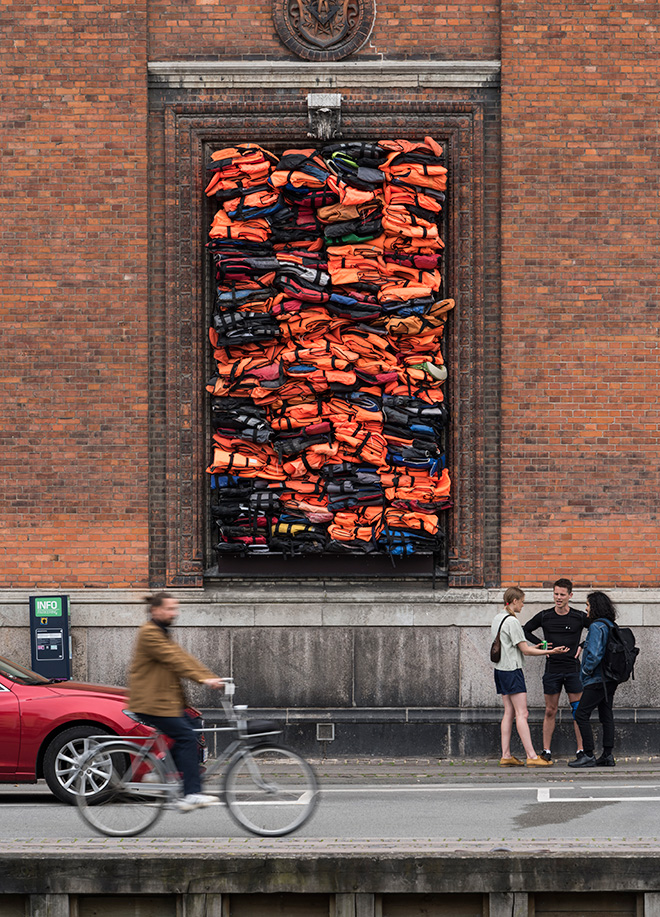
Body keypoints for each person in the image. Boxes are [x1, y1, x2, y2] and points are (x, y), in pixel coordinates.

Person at [128, 592, 226, 811]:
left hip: (164, 700)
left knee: (192, 727)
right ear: (156, 610)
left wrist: (209, 675)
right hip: (152, 702)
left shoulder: (161, 633)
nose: (175, 613)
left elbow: (182, 656)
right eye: (170, 608)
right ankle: (191, 794)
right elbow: (175, 659)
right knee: (187, 738)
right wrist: (203, 678)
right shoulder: (149, 633)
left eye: (175, 608)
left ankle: (159, 770)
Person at [493, 587, 569, 767]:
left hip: (500, 670)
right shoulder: (512, 622)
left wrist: (541, 647)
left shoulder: (498, 618)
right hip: (513, 671)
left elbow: (515, 647)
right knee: (522, 713)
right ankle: (532, 756)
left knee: (509, 712)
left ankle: (505, 755)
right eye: (521, 601)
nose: (523, 604)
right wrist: (551, 651)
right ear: (513, 601)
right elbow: (525, 650)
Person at [523, 578, 589, 762]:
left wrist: (583, 645)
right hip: (552, 670)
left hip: (573, 669)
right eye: (556, 594)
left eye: (562, 594)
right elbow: (525, 630)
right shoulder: (545, 616)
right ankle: (546, 751)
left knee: (577, 711)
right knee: (550, 710)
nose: (558, 598)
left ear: (570, 595)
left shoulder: (578, 616)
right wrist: (541, 645)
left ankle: (580, 750)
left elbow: (598, 629)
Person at [568, 590, 619, 768]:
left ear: (595, 607)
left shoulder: (597, 627)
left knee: (581, 714)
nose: (586, 609)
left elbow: (595, 654)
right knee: (606, 715)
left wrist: (586, 672)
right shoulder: (610, 624)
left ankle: (588, 754)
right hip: (610, 679)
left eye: (588, 605)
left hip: (597, 679)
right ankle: (607, 755)